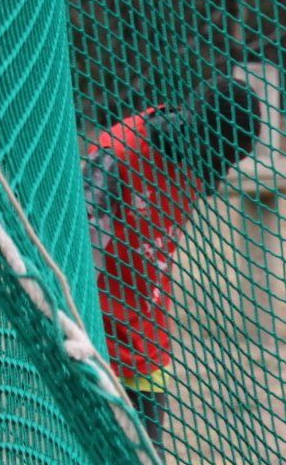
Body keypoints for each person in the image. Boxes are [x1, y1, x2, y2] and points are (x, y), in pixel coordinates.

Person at [84, 76, 261, 446]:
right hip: (97, 337)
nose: (221, 174)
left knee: (152, 459)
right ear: (201, 136)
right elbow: (85, 251)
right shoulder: (120, 155)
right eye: (221, 159)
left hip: (147, 336)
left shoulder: (197, 161)